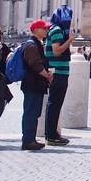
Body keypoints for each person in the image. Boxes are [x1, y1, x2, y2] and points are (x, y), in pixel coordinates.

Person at [43, 11, 78, 146]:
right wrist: (70, 40)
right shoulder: (57, 30)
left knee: (54, 104)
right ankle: (51, 135)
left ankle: (52, 133)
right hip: (58, 72)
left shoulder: (52, 29)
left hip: (57, 71)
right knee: (55, 104)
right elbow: (57, 51)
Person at [20, 19, 54, 150]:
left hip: (36, 84)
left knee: (34, 112)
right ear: (35, 30)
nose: (46, 31)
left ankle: (31, 138)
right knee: (30, 112)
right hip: (32, 84)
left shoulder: (37, 44)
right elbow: (35, 65)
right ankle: (27, 140)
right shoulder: (31, 46)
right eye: (44, 28)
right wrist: (47, 75)